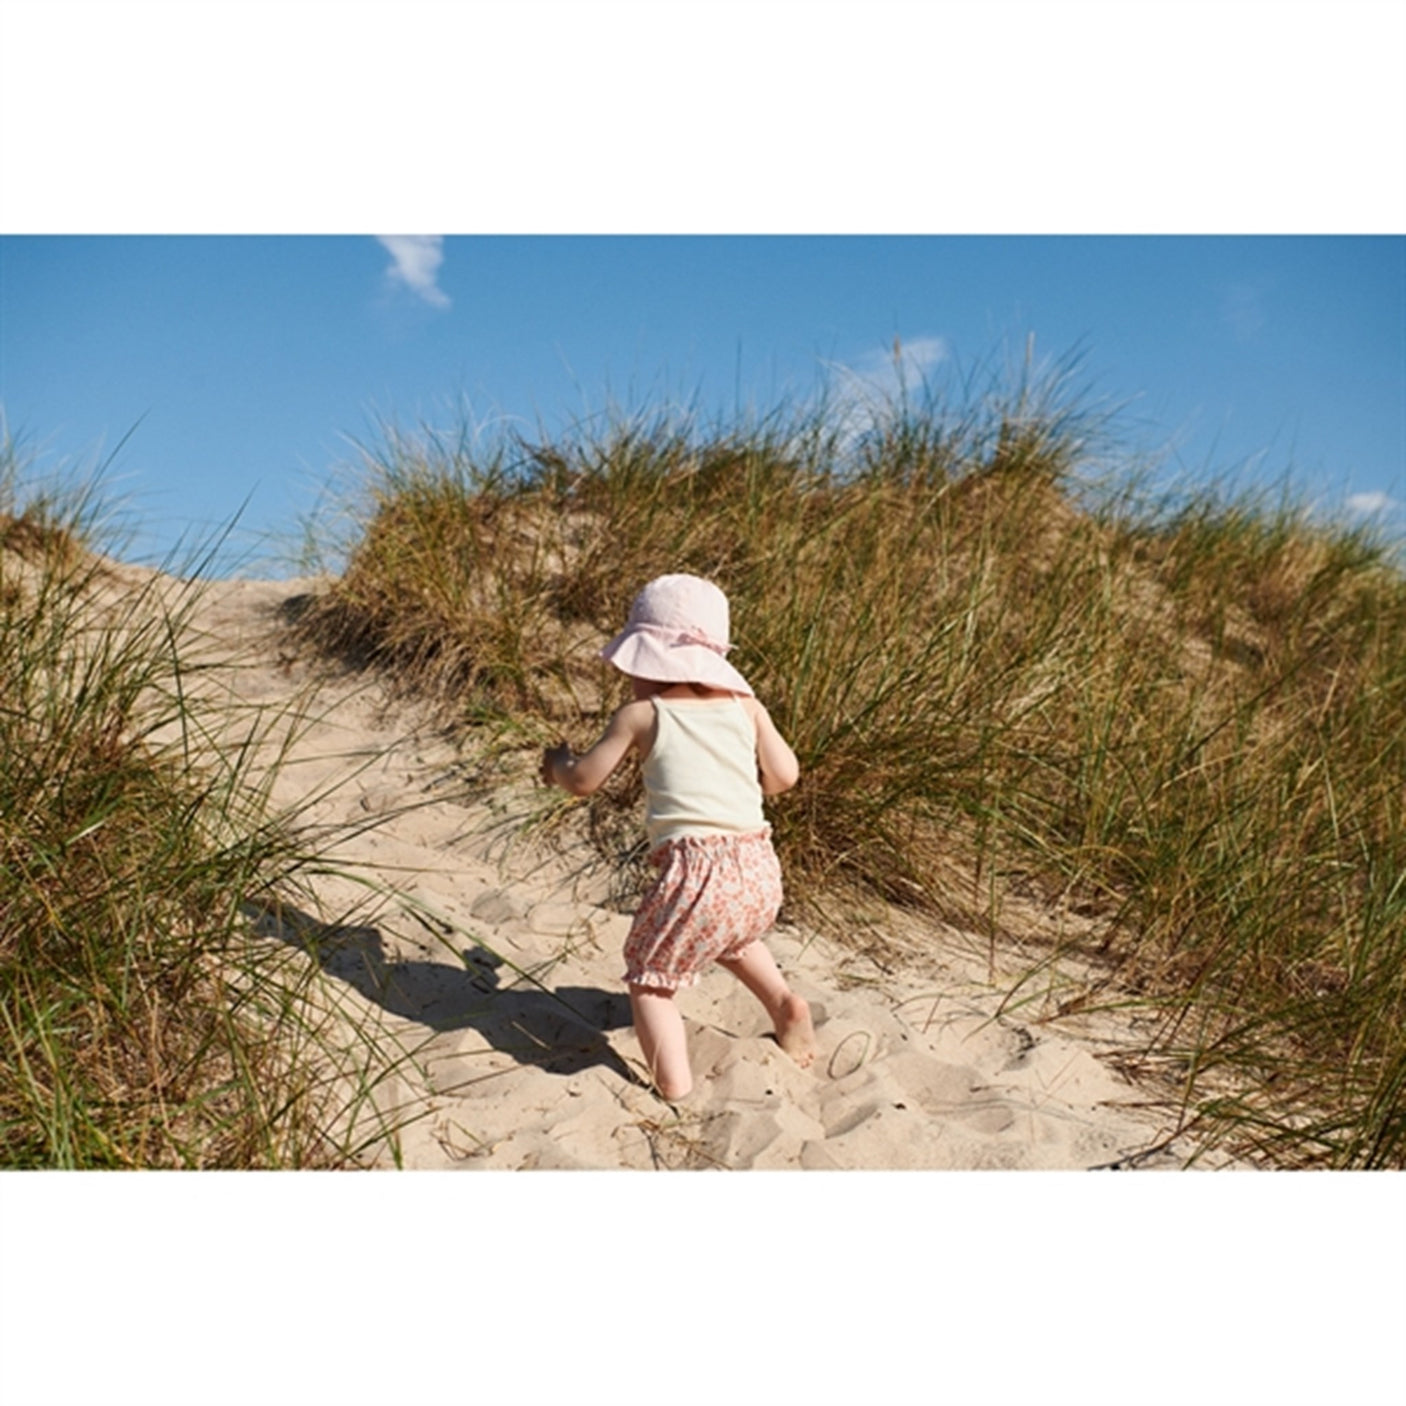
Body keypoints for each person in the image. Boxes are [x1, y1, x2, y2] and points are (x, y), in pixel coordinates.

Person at [540, 573, 815, 1101]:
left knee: (649, 979)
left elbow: (584, 781)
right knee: (732, 936)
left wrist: (558, 764)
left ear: (650, 661)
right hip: (759, 866)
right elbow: (785, 776)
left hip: (697, 875)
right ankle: (785, 1004)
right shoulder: (746, 706)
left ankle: (673, 1083)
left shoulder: (641, 714)